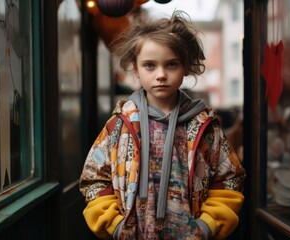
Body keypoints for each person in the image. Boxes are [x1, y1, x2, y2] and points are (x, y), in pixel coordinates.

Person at [79, 10, 246, 240]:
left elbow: (230, 179)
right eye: (149, 65)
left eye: (171, 65)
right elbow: (94, 177)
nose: (160, 75)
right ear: (135, 69)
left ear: (185, 67)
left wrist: (207, 226)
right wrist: (116, 226)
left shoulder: (205, 126)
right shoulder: (119, 125)